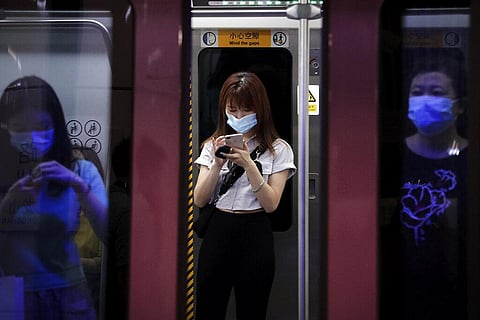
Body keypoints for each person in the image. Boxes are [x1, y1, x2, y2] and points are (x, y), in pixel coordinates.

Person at [0, 75, 108, 319]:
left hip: (69, 294)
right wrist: (9, 205)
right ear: (6, 129)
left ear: (56, 125)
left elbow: (108, 232)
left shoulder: (80, 170)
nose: (32, 136)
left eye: (40, 126)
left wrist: (80, 187)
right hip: (14, 293)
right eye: (21, 128)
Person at [193, 71, 296, 319]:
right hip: (219, 229)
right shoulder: (213, 145)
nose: (239, 116)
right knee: (209, 308)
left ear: (260, 110)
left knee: (253, 309)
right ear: (224, 110)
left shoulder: (279, 149)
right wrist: (217, 165)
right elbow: (199, 199)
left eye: (246, 110)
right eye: (233, 109)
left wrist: (249, 164)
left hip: (255, 233)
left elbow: (271, 204)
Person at [382, 49, 468, 320]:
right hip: (399, 286)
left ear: (460, 105)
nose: (425, 100)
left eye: (438, 93)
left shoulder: (470, 159)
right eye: (417, 92)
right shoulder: (388, 158)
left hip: (459, 287)